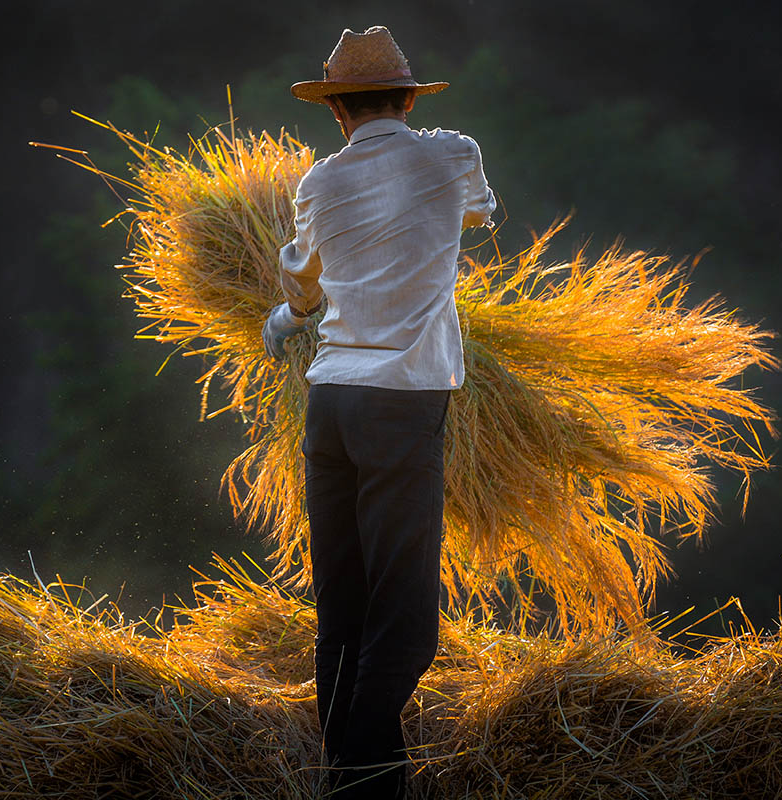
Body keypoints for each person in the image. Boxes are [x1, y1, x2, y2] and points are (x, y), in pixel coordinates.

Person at [261, 25, 495, 799]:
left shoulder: (320, 182)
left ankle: (354, 779)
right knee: (407, 625)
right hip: (402, 403)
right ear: (405, 96)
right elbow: (478, 217)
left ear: (338, 112)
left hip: (330, 402)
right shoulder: (453, 154)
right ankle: (359, 777)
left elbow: (301, 286)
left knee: (344, 610)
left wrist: (288, 316)